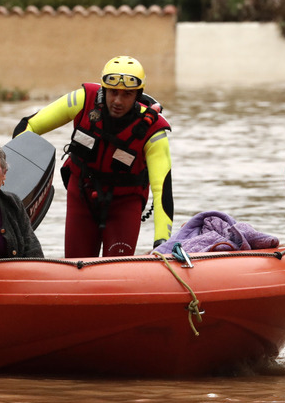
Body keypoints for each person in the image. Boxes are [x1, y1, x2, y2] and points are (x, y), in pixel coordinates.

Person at [13, 55, 173, 258]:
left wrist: (162, 243)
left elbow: (162, 191)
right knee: (75, 266)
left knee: (116, 272)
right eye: (113, 92)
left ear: (137, 95)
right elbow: (29, 125)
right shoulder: (82, 99)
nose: (117, 100)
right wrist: (17, 173)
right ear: (104, 89)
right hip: (81, 196)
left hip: (125, 204)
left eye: (126, 94)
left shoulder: (154, 132)